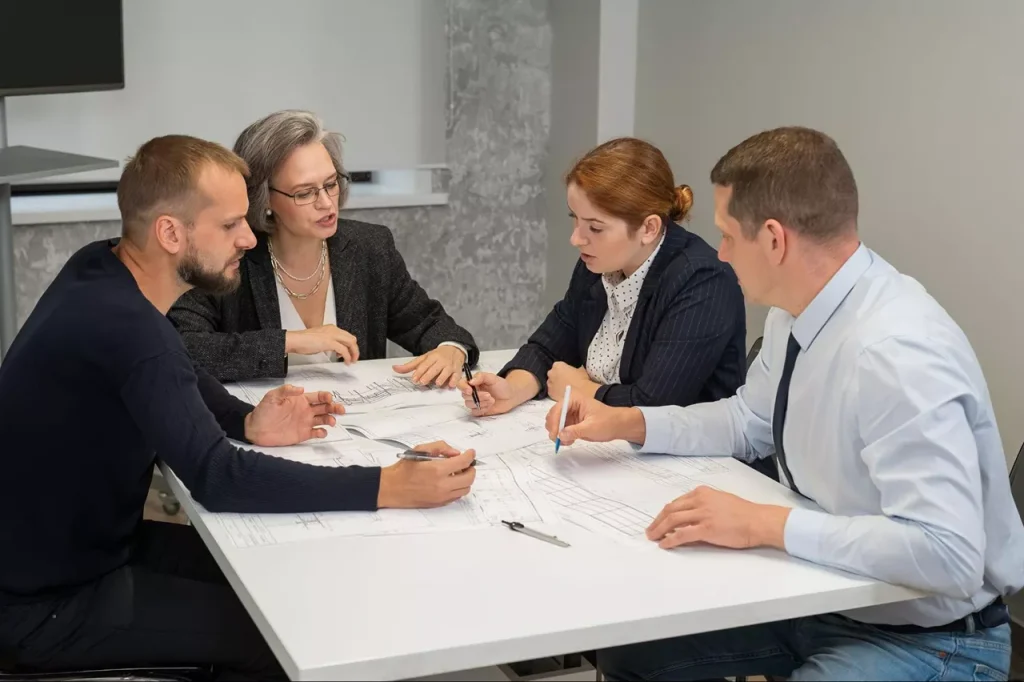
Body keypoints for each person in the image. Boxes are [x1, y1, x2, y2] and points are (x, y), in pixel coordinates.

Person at [543, 127, 1024, 681]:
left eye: (726, 235)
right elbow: (748, 421)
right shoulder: (796, 313)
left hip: (931, 641)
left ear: (774, 240)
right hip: (820, 594)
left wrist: (765, 524)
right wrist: (628, 422)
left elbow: (948, 554)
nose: (718, 252)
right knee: (635, 654)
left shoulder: (897, 351)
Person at [0, 135, 476, 680]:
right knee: (281, 633)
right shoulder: (130, 332)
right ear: (170, 233)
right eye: (230, 225)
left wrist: (244, 419)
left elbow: (176, 366)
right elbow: (217, 477)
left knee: (278, 575)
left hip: (84, 547)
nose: (250, 237)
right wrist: (388, 485)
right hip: (46, 601)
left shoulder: (99, 269)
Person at [168, 109, 478, 386]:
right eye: (305, 193)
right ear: (265, 199)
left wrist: (451, 349)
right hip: (262, 434)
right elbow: (182, 349)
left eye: (331, 184)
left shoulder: (368, 248)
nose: (327, 203)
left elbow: (430, 324)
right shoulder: (228, 257)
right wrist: (288, 342)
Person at [457, 137, 746, 417]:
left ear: (648, 228)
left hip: (700, 461)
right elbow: (549, 345)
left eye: (595, 228)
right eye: (575, 219)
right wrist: (512, 388)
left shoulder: (703, 281)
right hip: (616, 449)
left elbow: (656, 405)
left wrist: (580, 390)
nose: (576, 239)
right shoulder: (598, 263)